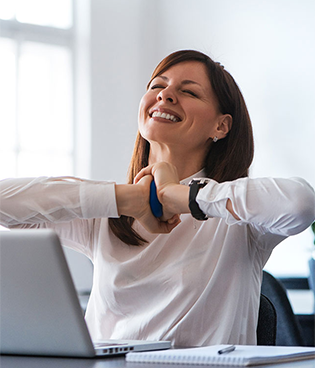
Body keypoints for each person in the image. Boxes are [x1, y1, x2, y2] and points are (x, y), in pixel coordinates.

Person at [0, 50, 315, 347]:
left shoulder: (240, 221)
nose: (165, 94)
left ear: (221, 126)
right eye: (157, 86)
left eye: (189, 92)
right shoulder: (107, 212)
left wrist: (181, 197)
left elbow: (300, 204)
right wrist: (127, 198)